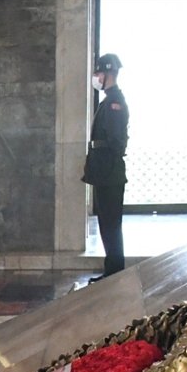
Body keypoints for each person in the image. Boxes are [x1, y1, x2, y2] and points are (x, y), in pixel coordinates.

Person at [83, 53, 130, 280]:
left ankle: (114, 272)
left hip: (109, 173)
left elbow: (115, 141)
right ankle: (111, 270)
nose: (96, 77)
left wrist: (103, 168)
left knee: (111, 225)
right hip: (105, 173)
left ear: (108, 74)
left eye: (98, 73)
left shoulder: (114, 103)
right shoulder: (109, 100)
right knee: (107, 224)